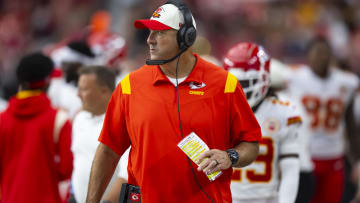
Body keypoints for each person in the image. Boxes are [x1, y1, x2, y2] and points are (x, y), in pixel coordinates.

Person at [86, 1, 262, 202]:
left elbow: (251, 144)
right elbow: (108, 150)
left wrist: (230, 157)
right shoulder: (129, 85)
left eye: (160, 33)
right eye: (150, 32)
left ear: (185, 37)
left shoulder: (225, 84)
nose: (150, 40)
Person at [278, 37, 360, 203]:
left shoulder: (346, 82)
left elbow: (350, 124)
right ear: (308, 56)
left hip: (334, 156)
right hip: (305, 155)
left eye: (325, 53)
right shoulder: (294, 77)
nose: (321, 57)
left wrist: (357, 160)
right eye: (317, 52)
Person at [223, 42, 301, 203]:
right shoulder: (218, 109)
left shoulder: (283, 112)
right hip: (226, 198)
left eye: (245, 83)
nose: (240, 89)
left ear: (264, 78)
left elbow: (290, 168)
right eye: (234, 83)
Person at [0, 53, 73, 203]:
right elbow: (67, 168)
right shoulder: (59, 119)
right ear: (48, 82)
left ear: (20, 80)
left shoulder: (2, 119)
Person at [71, 66, 119, 203]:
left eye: (84, 89)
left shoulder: (121, 123)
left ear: (104, 91)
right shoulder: (79, 119)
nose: (78, 94)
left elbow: (126, 175)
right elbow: (78, 161)